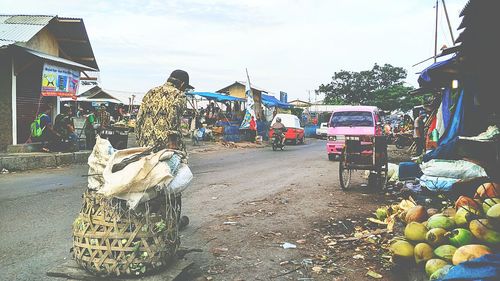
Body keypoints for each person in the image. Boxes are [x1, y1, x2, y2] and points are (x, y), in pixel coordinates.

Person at [135, 69, 190, 230]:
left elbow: (139, 120)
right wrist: (176, 148)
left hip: (146, 147)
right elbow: (174, 121)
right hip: (166, 146)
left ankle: (146, 218)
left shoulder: (150, 92)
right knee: (171, 181)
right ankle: (170, 221)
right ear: (182, 84)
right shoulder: (179, 96)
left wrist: (141, 145)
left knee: (148, 181)